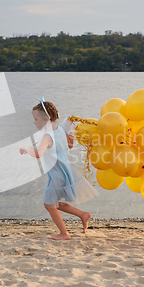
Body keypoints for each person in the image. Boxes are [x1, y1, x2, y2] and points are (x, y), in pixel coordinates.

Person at [19, 99, 100, 240]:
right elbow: (69, 145)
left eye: (36, 119)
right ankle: (83, 215)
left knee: (48, 204)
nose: (34, 122)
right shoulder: (61, 130)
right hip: (65, 173)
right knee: (54, 203)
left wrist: (26, 149)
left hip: (56, 176)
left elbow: (38, 153)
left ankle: (64, 233)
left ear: (45, 119)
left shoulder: (47, 136)